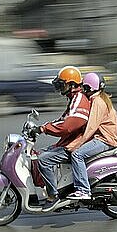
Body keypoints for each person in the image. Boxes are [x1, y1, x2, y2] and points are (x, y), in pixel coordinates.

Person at [35, 66, 90, 208]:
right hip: (69, 141)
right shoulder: (73, 99)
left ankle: (53, 196)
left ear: (71, 84)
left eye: (62, 84)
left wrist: (44, 129)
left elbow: (68, 126)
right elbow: (63, 119)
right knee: (39, 153)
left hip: (75, 143)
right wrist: (42, 127)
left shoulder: (80, 100)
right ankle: (54, 187)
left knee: (43, 160)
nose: (60, 88)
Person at [65, 72, 117, 200]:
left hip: (105, 140)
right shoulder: (98, 98)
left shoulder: (98, 102)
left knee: (77, 154)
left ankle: (83, 190)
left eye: (85, 87)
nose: (83, 90)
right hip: (102, 137)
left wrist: (77, 144)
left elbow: (91, 127)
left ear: (89, 87)